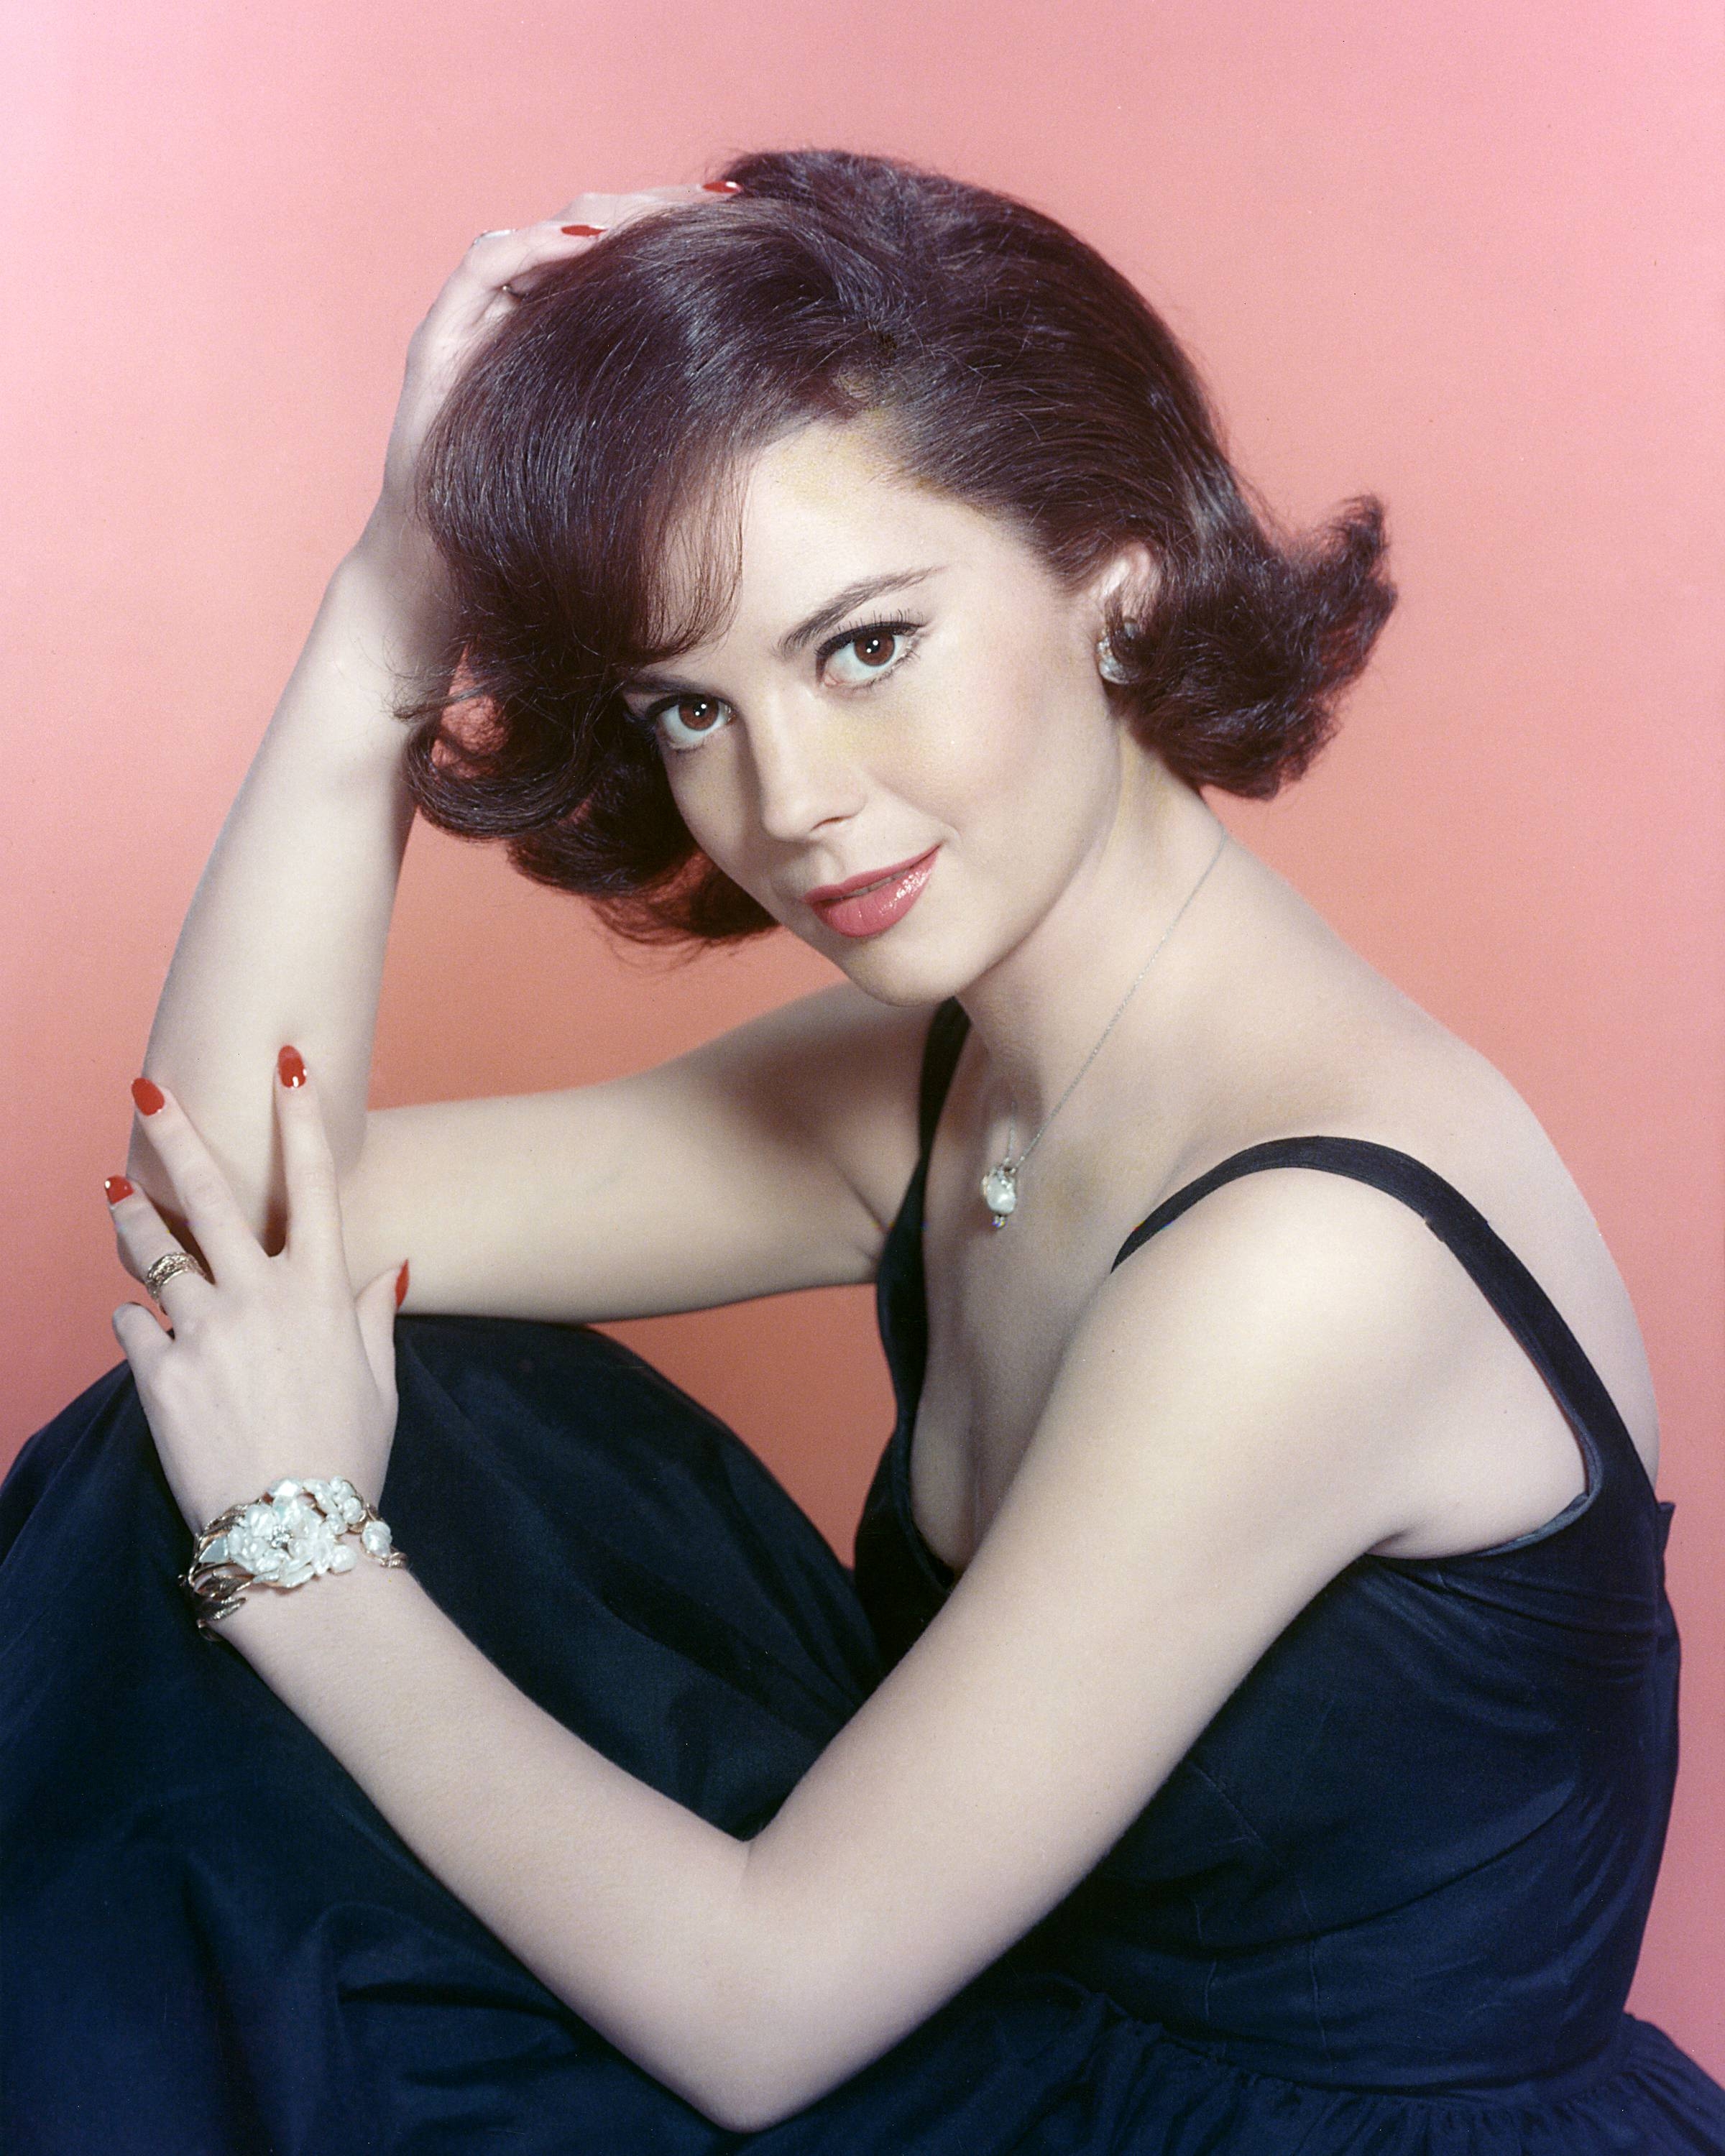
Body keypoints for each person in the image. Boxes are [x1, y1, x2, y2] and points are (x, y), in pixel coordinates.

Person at [2, 145, 1721, 2154]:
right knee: (309, 1414)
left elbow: (757, 2008)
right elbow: (243, 1230)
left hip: (1232, 2127)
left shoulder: (1320, 1255)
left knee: (267, 1548)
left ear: (1114, 572)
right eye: (686, 707)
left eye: (866, 645)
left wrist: (296, 1561)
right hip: (1017, 2042)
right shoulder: (939, 1083)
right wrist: (395, 605)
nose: (791, 804)